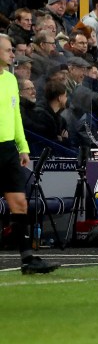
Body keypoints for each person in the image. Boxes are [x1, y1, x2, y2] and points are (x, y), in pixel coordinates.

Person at [0, 34, 59, 274]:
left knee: (19, 203)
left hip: (8, 150)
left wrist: (22, 146)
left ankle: (27, 259)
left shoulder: (11, 80)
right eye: (7, 50)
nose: (12, 54)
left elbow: (15, 116)